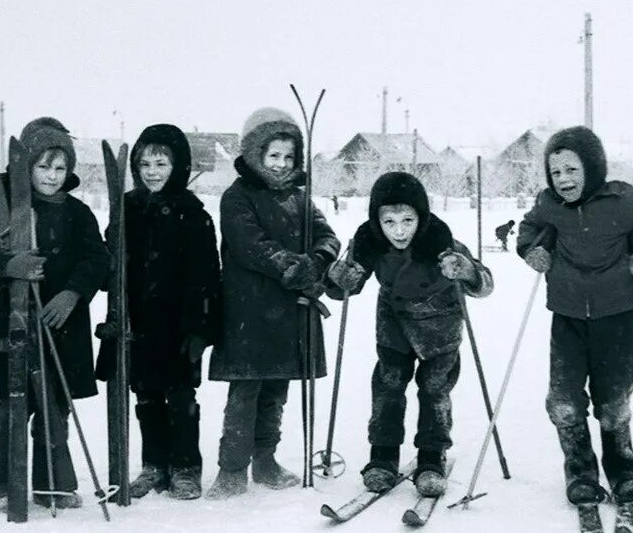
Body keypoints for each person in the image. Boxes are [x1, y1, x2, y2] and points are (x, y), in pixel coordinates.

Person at [516, 126, 633, 507]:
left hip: (619, 318)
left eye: (572, 170)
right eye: (556, 172)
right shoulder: (549, 204)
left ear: (592, 167)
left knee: (613, 402)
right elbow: (528, 227)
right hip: (568, 318)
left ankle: (623, 470)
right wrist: (530, 250)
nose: (564, 180)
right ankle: (580, 472)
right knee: (564, 402)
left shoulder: (622, 200)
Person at [0, 117, 110, 513]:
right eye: (43, 166)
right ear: (26, 168)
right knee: (12, 405)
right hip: (11, 323)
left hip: (61, 325)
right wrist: (9, 266)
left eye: (60, 167)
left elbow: (98, 259)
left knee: (55, 406)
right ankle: (1, 483)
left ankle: (52, 484)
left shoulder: (79, 214)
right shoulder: (4, 210)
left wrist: (72, 293)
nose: (52, 175)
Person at [326, 171, 493, 497]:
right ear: (377, 221)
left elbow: (485, 283)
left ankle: (431, 458)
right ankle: (382, 456)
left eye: (407, 220)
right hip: (394, 323)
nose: (399, 231)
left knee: (434, 389)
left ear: (422, 216)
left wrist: (467, 270)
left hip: (439, 327)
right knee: (388, 385)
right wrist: (339, 276)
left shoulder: (442, 241)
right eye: (389, 222)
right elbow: (345, 287)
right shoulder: (369, 242)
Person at [205, 107, 340, 500]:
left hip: (289, 311)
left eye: (289, 157)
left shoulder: (300, 198)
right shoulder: (237, 197)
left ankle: (265, 460)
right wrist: (294, 266)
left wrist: (317, 260)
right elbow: (251, 247)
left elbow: (327, 235)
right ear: (255, 155)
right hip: (248, 311)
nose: (281, 165)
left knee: (276, 389)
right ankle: (231, 469)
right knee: (246, 391)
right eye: (273, 156)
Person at [94, 124, 220, 500]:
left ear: (177, 165)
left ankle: (185, 467)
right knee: (145, 394)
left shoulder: (193, 214)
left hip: (179, 323)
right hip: (137, 322)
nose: (152, 171)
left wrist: (199, 328)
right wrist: (111, 255)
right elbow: (110, 267)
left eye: (161, 162)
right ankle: (154, 465)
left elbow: (206, 276)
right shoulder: (127, 208)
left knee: (181, 396)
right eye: (145, 163)